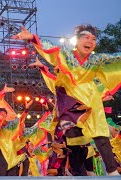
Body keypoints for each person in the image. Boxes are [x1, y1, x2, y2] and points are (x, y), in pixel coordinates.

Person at [13, 24, 121, 176]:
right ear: (77, 41)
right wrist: (32, 38)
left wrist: (104, 94)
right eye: (86, 37)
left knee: (100, 133)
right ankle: (80, 173)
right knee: (74, 144)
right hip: (71, 105)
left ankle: (112, 172)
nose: (90, 40)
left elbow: (116, 59)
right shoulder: (67, 56)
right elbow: (51, 50)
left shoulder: (97, 59)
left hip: (91, 100)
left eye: (93, 39)